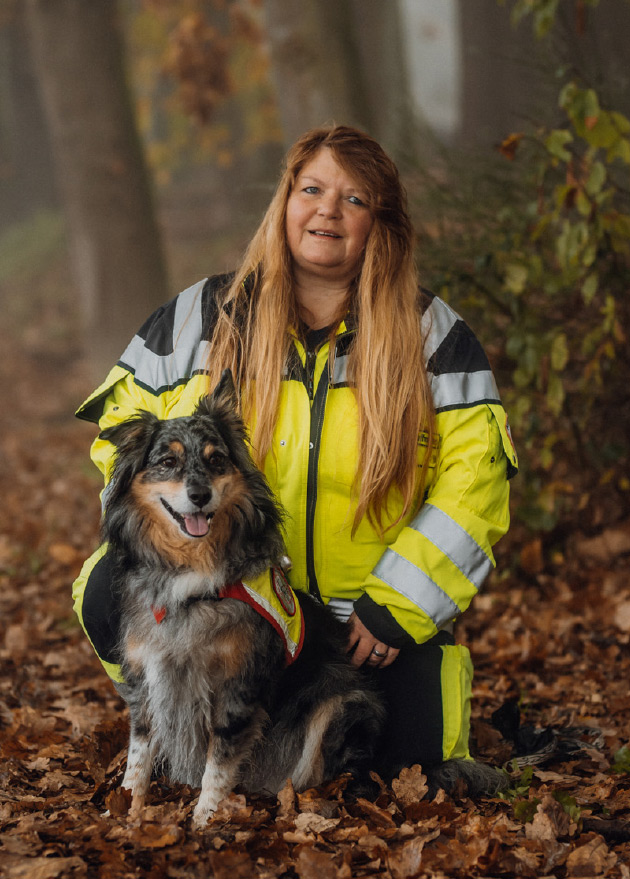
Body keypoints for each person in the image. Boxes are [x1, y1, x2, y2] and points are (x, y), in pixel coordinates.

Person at [73, 124, 517, 789]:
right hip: (225, 599)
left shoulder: (434, 337)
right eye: (310, 189)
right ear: (284, 202)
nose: (327, 211)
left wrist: (402, 599)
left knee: (413, 776)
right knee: (108, 587)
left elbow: (473, 484)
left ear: (381, 223)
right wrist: (176, 546)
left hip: (358, 631)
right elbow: (121, 439)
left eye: (353, 199)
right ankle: (180, 714)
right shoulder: (198, 315)